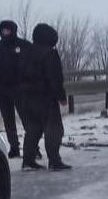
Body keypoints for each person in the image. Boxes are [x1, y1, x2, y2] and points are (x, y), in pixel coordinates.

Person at [16, 23, 69, 170]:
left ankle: (28, 160)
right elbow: (55, 78)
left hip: (25, 98)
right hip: (44, 98)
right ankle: (54, 160)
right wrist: (61, 96)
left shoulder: (25, 52)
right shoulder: (50, 54)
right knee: (53, 129)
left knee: (33, 129)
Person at [0, 19, 29, 156]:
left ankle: (32, 148)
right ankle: (14, 147)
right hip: (1, 91)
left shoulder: (23, 45)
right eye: (3, 30)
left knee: (27, 119)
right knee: (8, 121)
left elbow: (31, 65)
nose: (5, 32)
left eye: (8, 30)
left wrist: (27, 83)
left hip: (20, 90)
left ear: (13, 30)